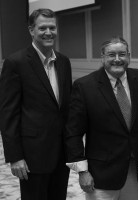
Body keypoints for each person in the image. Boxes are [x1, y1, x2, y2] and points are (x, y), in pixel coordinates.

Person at [65, 36, 138, 200]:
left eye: (122, 54)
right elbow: (72, 133)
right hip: (100, 175)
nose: (117, 59)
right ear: (102, 57)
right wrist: (82, 171)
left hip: (133, 171)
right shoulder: (85, 86)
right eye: (111, 55)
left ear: (129, 56)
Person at [0, 8, 72, 200]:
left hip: (61, 155)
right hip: (32, 156)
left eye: (52, 27)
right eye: (42, 28)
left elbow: (65, 109)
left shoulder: (64, 62)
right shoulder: (15, 62)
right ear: (31, 30)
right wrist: (15, 156)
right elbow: (8, 113)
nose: (48, 32)